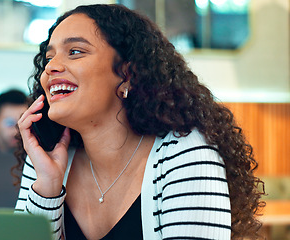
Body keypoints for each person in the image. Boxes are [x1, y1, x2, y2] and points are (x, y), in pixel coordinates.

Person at [14, 4, 263, 240]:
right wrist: (47, 189)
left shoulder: (184, 152)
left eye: (75, 52)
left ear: (127, 74)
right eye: (49, 57)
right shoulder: (46, 153)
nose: (51, 67)